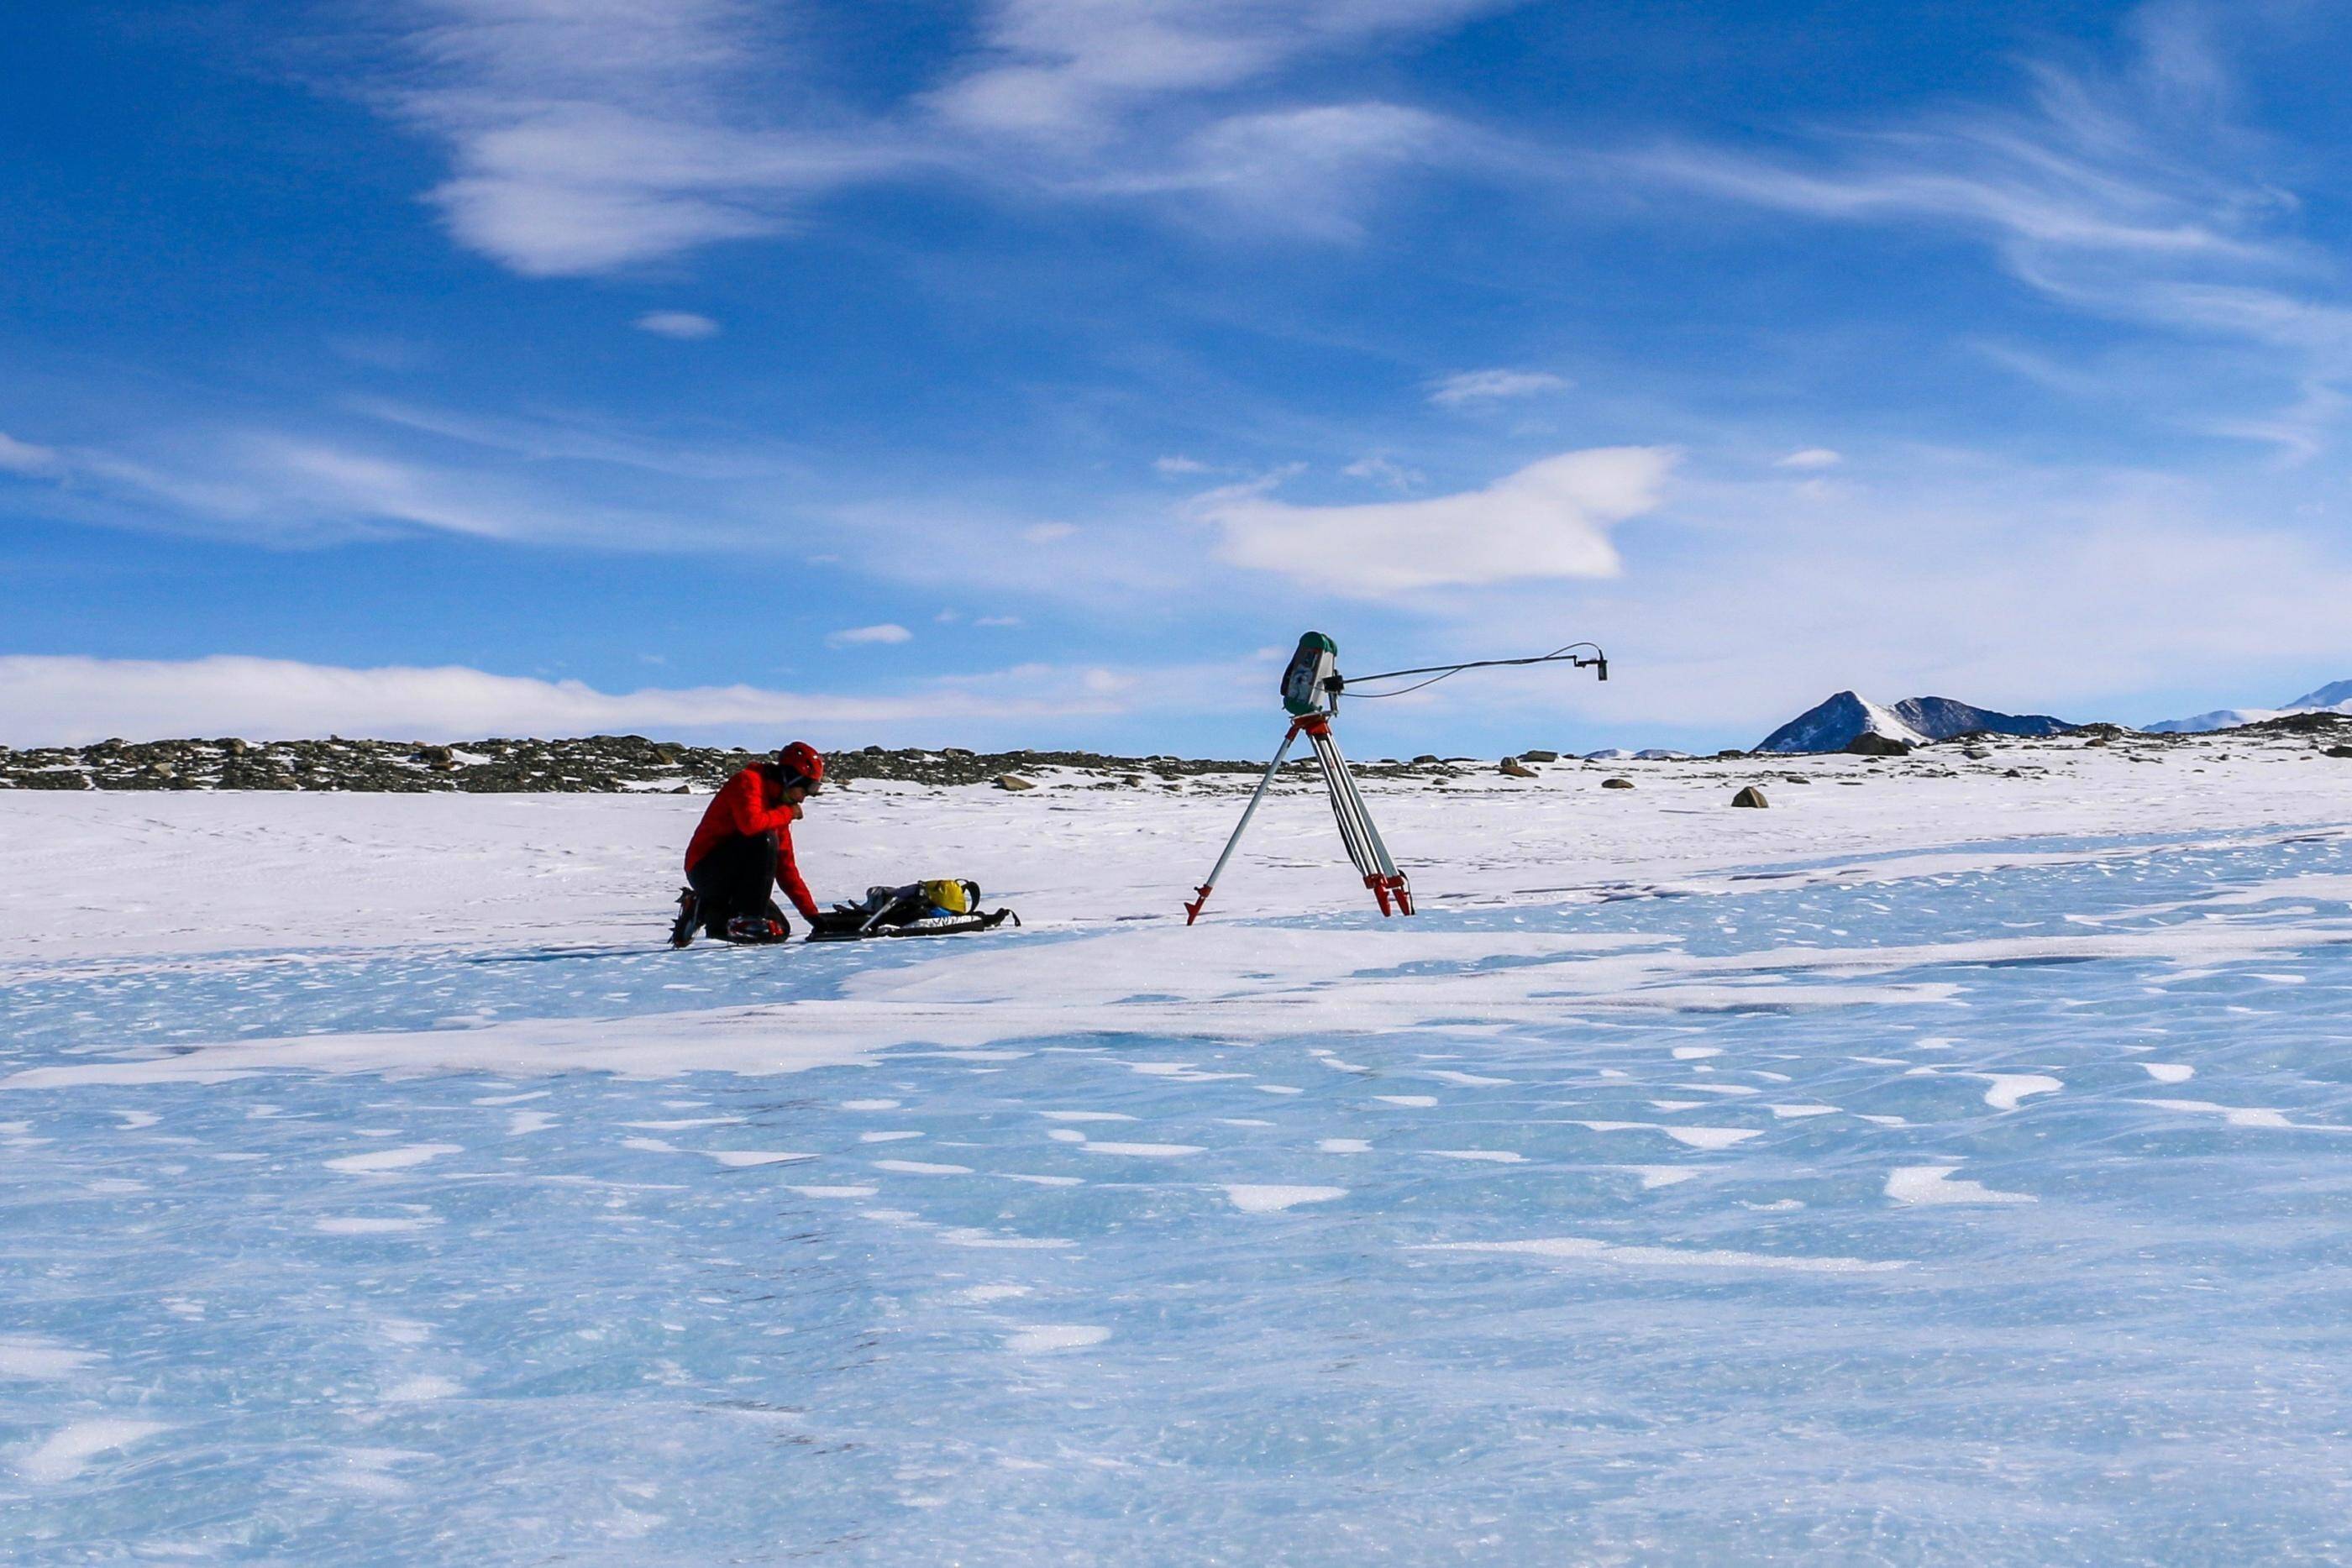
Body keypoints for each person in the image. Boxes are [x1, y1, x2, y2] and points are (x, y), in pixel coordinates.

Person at [671, 742, 826, 946]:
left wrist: (814, 918)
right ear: (790, 778)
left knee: (778, 931)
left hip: (734, 882)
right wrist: (787, 813)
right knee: (764, 839)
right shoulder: (748, 781)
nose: (803, 799)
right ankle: (746, 920)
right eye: (805, 790)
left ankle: (708, 911)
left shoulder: (777, 808)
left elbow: (786, 868)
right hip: (706, 869)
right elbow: (751, 825)